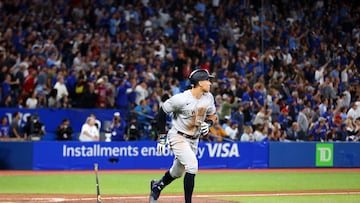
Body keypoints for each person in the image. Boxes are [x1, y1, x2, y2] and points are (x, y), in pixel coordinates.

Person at [149, 69, 217, 203]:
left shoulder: (209, 97)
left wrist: (208, 124)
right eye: (208, 80)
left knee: (177, 172)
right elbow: (162, 112)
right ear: (200, 83)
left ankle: (157, 186)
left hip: (194, 140)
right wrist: (162, 138)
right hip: (178, 136)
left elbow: (212, 115)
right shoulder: (181, 99)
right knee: (192, 166)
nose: (210, 82)